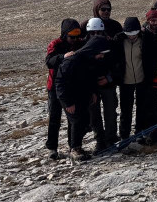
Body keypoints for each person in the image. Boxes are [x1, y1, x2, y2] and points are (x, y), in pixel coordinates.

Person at [55, 37, 111, 161]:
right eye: (101, 53)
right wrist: (67, 103)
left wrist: (93, 93)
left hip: (82, 96)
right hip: (69, 98)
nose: (101, 56)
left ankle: (76, 147)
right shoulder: (71, 61)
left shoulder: (89, 60)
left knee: (84, 120)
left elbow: (90, 79)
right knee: (76, 121)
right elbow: (60, 82)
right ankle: (75, 149)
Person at [44, 18, 83, 159]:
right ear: (65, 34)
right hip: (54, 88)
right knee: (55, 117)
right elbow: (49, 61)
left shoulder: (79, 43)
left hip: (71, 87)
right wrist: (63, 57)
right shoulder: (55, 44)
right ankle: (52, 148)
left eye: (77, 36)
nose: (75, 39)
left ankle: (73, 146)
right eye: (72, 36)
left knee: (72, 117)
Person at [83, 18, 119, 151]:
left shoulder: (110, 44)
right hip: (92, 86)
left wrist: (109, 79)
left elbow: (118, 64)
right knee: (94, 113)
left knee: (110, 112)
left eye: (98, 32)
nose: (95, 35)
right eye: (93, 33)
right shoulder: (85, 46)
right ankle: (99, 140)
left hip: (108, 84)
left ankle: (111, 138)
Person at [113, 17, 151, 140]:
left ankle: (139, 132)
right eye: (129, 34)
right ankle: (124, 135)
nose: (131, 36)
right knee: (125, 109)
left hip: (141, 79)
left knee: (142, 107)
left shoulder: (144, 39)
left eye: (134, 34)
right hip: (125, 80)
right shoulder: (119, 41)